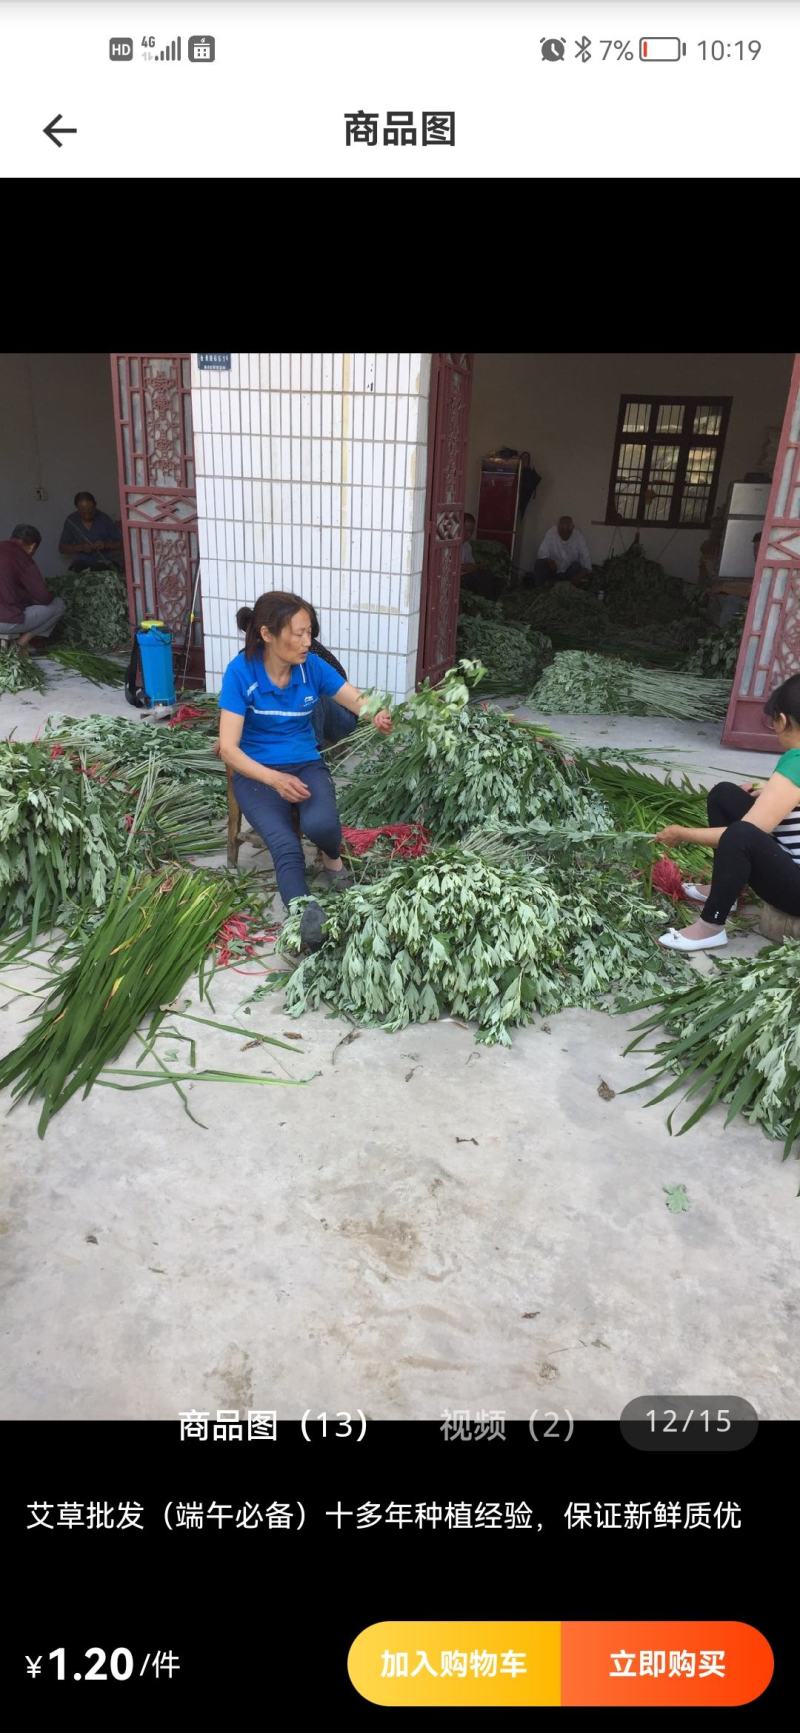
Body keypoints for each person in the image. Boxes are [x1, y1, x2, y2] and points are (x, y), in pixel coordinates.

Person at [219, 591, 392, 951]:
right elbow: (229, 749)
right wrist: (274, 779)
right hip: (258, 774)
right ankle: (304, 918)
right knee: (285, 846)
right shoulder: (241, 673)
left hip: (305, 762)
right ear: (267, 634)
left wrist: (375, 712)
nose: (306, 642)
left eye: (309, 632)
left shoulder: (311, 666)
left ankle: (332, 860)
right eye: (297, 634)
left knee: (323, 826)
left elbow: (353, 698)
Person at [654, 672, 800, 952]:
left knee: (742, 835)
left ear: (782, 720)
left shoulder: (796, 761)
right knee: (725, 795)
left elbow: (746, 833)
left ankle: (710, 926)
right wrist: (766, 788)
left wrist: (681, 834)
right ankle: (726, 891)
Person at [0, 525, 65, 646]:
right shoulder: (21, 556)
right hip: (4, 622)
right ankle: (20, 644)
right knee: (58, 605)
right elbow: (44, 597)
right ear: (32, 546)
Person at [58, 492, 123, 572]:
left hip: (105, 561)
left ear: (95, 505)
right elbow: (62, 548)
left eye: (90, 510)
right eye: (83, 512)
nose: (87, 515)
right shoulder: (71, 521)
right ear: (77, 508)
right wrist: (81, 547)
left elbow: (121, 544)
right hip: (82, 562)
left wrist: (105, 545)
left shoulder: (104, 519)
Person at [530, 516, 593, 589]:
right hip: (553, 570)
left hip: (569, 572)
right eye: (562, 532)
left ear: (572, 528)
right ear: (558, 528)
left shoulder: (578, 535)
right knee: (539, 563)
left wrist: (580, 575)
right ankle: (539, 589)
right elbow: (542, 551)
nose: (564, 535)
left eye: (567, 533)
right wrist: (549, 560)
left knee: (576, 565)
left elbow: (586, 556)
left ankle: (567, 588)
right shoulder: (551, 532)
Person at [459, 513, 504, 602]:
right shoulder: (450, 544)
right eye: (467, 530)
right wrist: (465, 567)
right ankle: (484, 604)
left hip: (467, 574)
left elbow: (471, 564)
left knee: (492, 578)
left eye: (471, 531)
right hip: (457, 578)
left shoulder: (467, 545)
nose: (469, 535)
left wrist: (476, 566)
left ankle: (490, 606)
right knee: (478, 580)